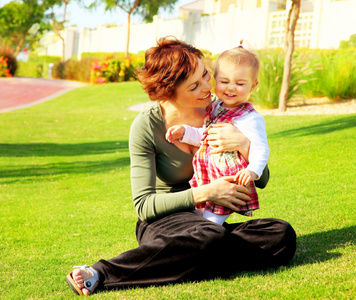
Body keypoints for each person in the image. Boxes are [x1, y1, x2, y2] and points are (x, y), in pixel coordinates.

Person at [65, 36, 296, 296]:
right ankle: (102, 272)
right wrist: (208, 192)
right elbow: (143, 205)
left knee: (280, 234)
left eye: (207, 76)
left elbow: (261, 179)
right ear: (170, 92)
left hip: (209, 221)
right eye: (194, 86)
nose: (207, 88)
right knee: (209, 237)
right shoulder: (146, 127)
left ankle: (187, 259)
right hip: (165, 221)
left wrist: (244, 144)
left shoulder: (221, 111)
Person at [165, 44, 269, 225]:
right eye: (224, 81)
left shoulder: (250, 118)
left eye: (240, 83)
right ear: (215, 79)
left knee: (211, 223)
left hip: (230, 180)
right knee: (198, 220)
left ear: (253, 85)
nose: (231, 88)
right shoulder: (214, 108)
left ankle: (207, 237)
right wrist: (185, 132)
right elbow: (207, 136)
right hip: (208, 176)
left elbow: (261, 147)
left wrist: (253, 171)